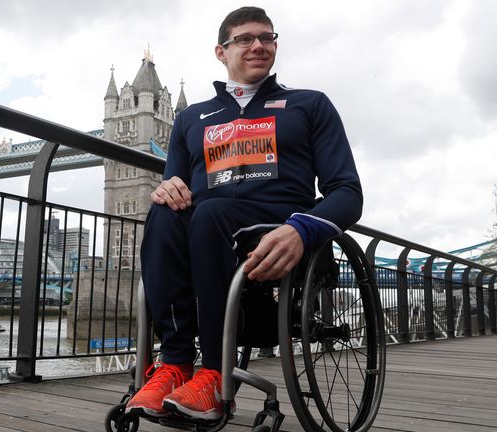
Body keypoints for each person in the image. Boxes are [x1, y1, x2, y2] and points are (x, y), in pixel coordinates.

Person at [125, 6, 363, 422]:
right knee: (164, 212)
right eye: (245, 39)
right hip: (204, 228)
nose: (259, 45)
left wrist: (301, 231)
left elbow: (347, 192)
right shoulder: (189, 119)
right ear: (221, 51)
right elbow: (174, 185)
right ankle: (175, 364)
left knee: (210, 212)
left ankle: (216, 377)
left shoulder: (310, 105)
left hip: (277, 226)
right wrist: (166, 187)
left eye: (268, 38)